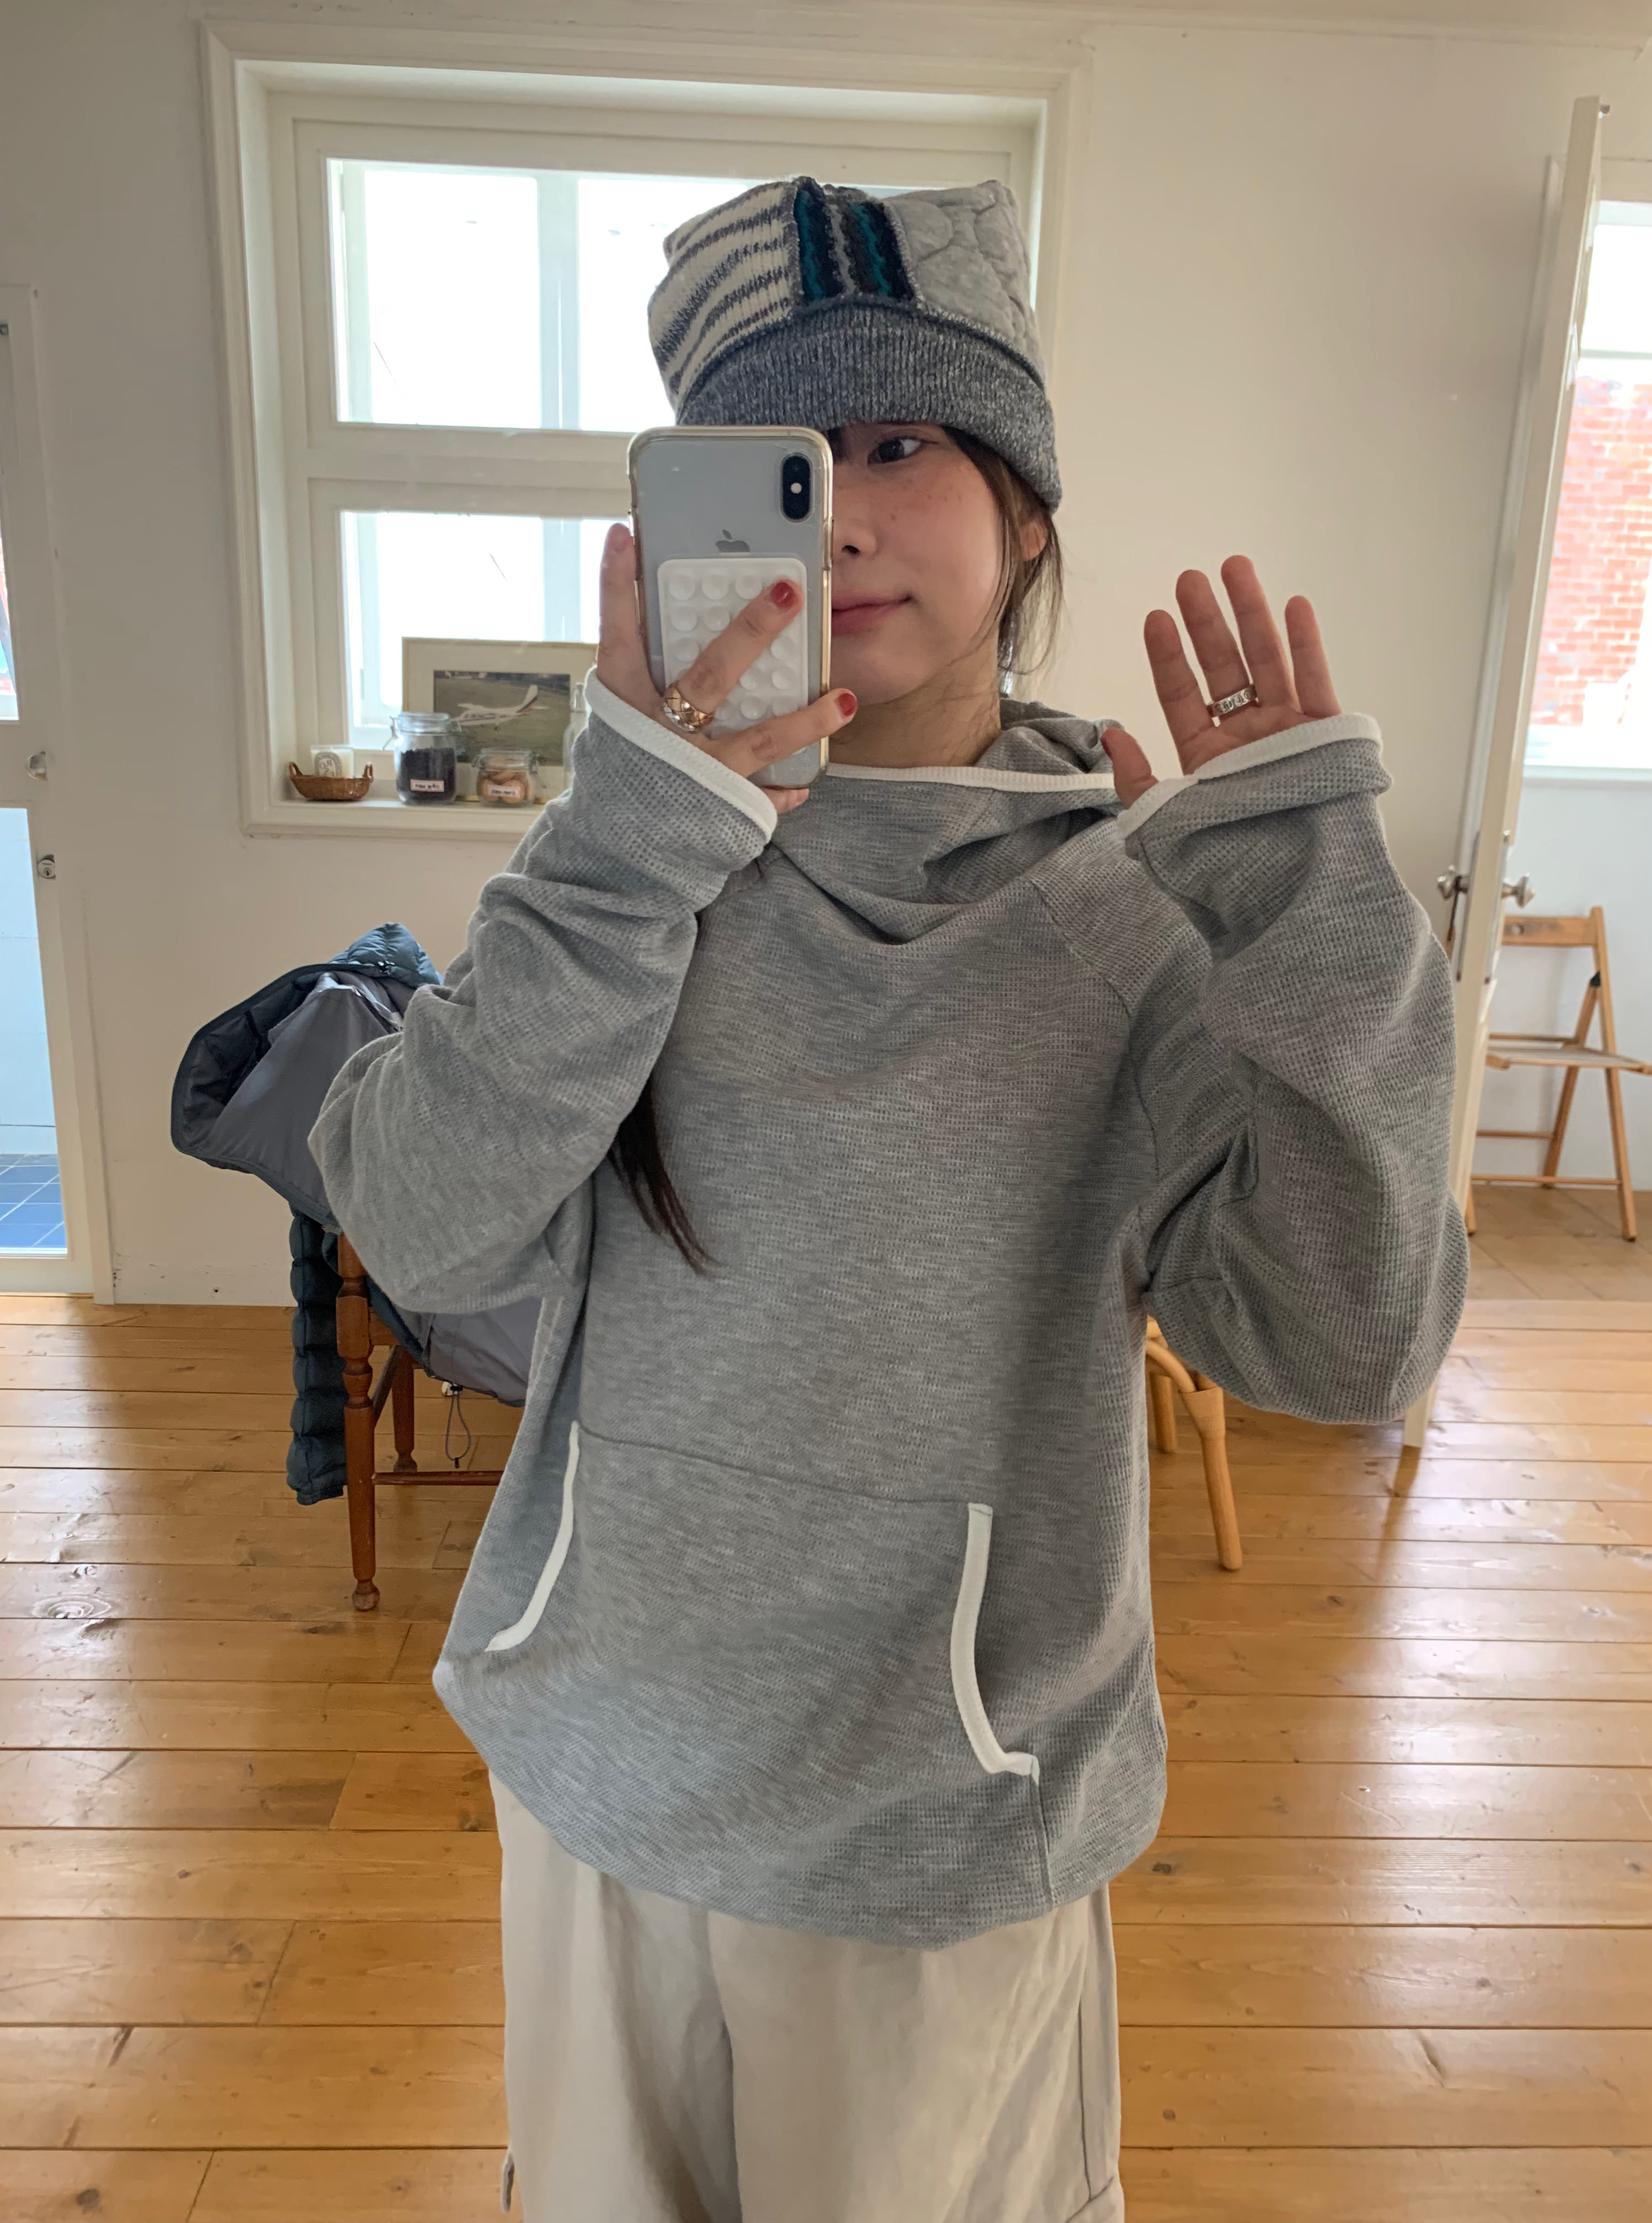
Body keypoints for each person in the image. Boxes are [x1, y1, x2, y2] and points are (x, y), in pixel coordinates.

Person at [309, 175, 1468, 2223]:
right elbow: (423, 1220)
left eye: (905, 441)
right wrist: (635, 826)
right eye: (778, 463)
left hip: (940, 1834)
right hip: (597, 1782)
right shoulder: (631, 867)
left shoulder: (1135, 912)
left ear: (1026, 512)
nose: (839, 513)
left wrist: (1316, 923)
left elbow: (1349, 1341)